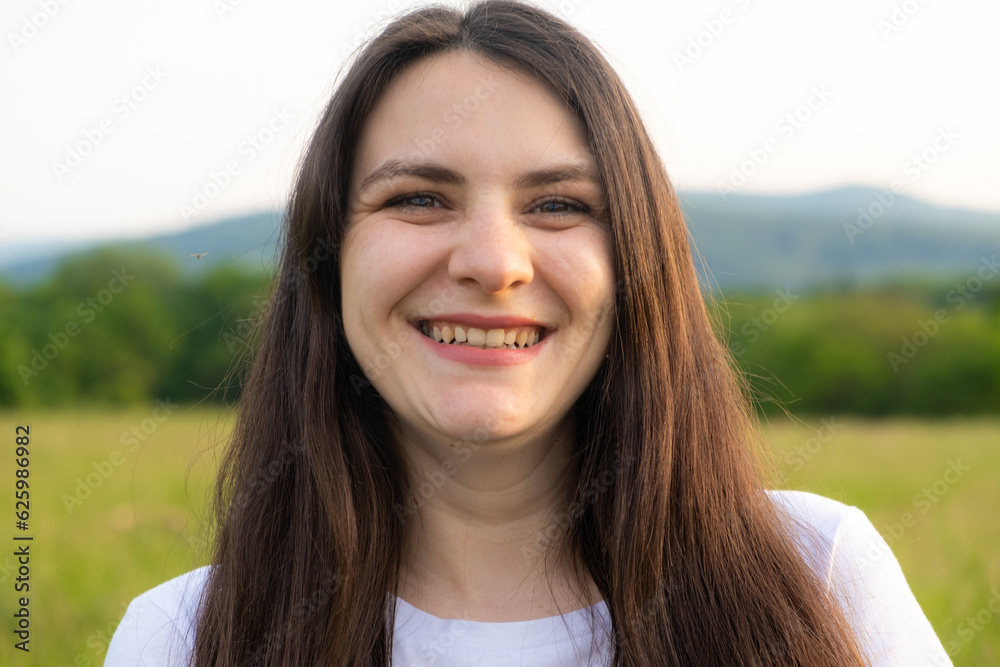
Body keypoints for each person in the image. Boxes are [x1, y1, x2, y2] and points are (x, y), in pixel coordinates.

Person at [105, 1, 951, 665]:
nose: (493, 262)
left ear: (636, 264)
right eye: (418, 198)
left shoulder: (821, 574)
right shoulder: (180, 638)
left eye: (557, 204)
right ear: (328, 260)